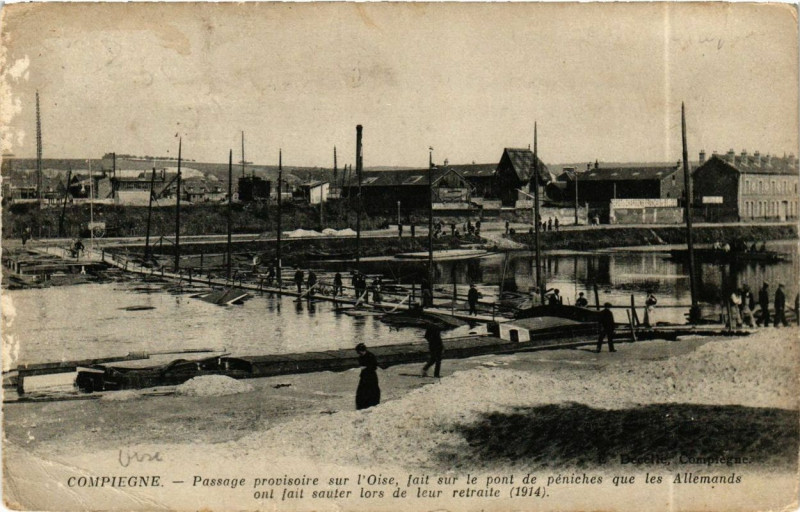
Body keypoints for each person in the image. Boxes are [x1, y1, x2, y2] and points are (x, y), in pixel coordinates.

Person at [355, 343, 380, 410]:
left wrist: (366, 367)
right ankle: (362, 405)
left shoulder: (370, 356)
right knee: (362, 391)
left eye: (359, 352)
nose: (359, 353)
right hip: (364, 376)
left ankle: (372, 404)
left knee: (371, 390)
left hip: (371, 376)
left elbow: (374, 366)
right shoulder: (360, 357)